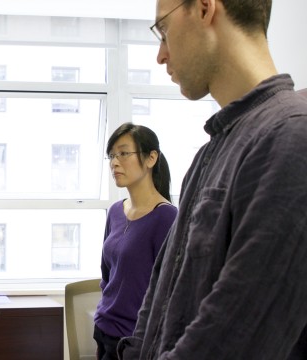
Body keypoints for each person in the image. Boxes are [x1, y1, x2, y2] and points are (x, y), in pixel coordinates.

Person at [118, 0, 307, 359]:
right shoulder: (211, 153)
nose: (161, 55)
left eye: (163, 30)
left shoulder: (292, 138)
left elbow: (237, 337)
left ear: (205, 8)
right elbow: (161, 296)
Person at [94, 123, 177, 360]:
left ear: (151, 158)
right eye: (111, 156)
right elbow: (107, 275)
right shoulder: (115, 211)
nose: (114, 162)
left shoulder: (167, 217)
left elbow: (170, 290)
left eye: (123, 153)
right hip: (104, 328)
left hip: (137, 340)